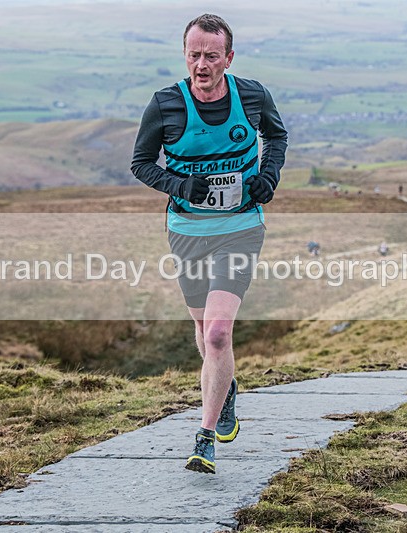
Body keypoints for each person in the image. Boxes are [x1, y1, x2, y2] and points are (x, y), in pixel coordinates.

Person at [131, 14, 287, 474]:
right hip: (187, 233)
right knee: (204, 334)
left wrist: (268, 176)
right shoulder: (165, 105)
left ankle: (205, 436)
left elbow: (276, 136)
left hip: (240, 227)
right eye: (194, 55)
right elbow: (141, 163)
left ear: (228, 58)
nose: (201, 64)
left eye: (211, 56)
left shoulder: (253, 95)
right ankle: (227, 387)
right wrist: (180, 186)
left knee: (219, 333)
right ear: (185, 55)